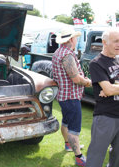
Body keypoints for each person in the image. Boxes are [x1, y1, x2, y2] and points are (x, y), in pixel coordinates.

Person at [52, 28, 91, 167]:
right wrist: (87, 82)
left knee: (66, 122)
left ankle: (68, 145)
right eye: (75, 38)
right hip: (70, 97)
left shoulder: (58, 52)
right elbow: (75, 78)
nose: (76, 40)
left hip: (64, 96)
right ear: (70, 40)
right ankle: (79, 157)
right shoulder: (67, 55)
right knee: (74, 128)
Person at [86, 28, 119, 167]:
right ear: (104, 42)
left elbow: (111, 88)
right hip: (106, 116)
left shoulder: (117, 60)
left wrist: (112, 88)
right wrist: (110, 89)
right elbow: (109, 90)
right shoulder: (96, 63)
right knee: (96, 155)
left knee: (117, 156)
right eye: (116, 41)